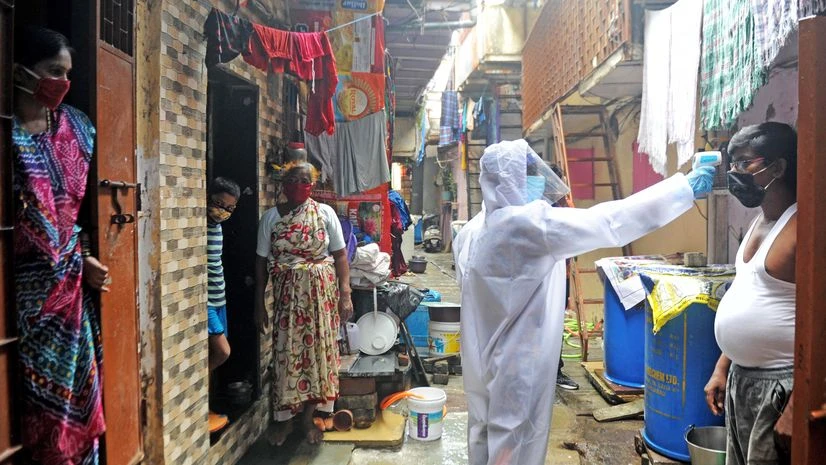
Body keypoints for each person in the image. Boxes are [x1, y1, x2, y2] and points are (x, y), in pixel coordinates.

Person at [453, 139, 714, 465]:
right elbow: (610, 222)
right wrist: (684, 189)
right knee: (515, 438)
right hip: (518, 358)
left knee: (482, 427)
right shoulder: (531, 225)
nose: (538, 181)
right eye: (531, 173)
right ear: (515, 178)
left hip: (479, 354)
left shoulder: (473, 229)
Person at [11, 25, 108, 465]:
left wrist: (84, 255)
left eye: (67, 73)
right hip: (21, 297)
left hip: (71, 289)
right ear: (20, 71)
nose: (62, 83)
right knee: (33, 406)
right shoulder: (7, 132)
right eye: (53, 71)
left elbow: (81, 215)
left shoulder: (77, 128)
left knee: (81, 394)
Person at [704, 123, 797, 465]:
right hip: (742, 382)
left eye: (744, 163)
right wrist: (723, 365)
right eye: (731, 164)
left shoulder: (804, 227)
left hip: (782, 387)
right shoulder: (759, 222)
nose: (734, 173)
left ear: (778, 168)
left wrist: (798, 403)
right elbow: (750, 294)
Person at [254, 161, 354, 445]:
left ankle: (309, 419)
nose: (300, 185)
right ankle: (284, 421)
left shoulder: (324, 214)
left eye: (305, 180)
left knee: (318, 356)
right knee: (286, 355)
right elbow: (260, 262)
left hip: (321, 296)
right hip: (286, 298)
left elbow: (341, 256)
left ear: (313, 184)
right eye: (294, 180)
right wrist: (258, 303)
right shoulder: (271, 218)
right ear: (283, 184)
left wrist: (344, 294)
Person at [206, 176, 241, 432]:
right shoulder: (198, 225)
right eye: (219, 204)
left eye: (229, 208)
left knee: (213, 355)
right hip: (206, 303)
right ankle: (196, 397)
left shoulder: (216, 226)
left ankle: (205, 408)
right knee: (222, 352)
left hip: (220, 300)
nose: (223, 211)